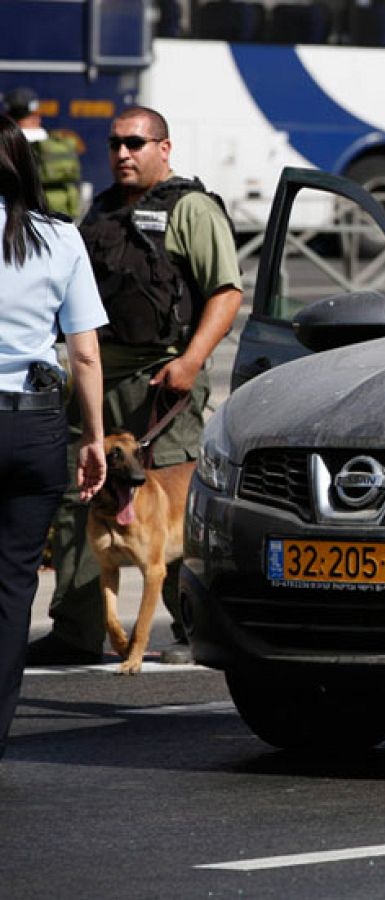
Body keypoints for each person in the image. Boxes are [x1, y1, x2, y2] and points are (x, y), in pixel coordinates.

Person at [25, 105, 241, 667]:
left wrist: (192, 361)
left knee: (170, 506)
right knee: (82, 499)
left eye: (135, 143)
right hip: (97, 380)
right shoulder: (99, 211)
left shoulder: (189, 209)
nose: (122, 153)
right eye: (115, 143)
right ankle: (76, 628)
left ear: (163, 149)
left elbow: (225, 292)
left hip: (161, 383)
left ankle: (191, 628)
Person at [0, 114, 105, 756]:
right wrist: (92, 435)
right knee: (14, 584)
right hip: (36, 422)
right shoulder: (62, 239)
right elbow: (85, 352)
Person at [4, 87, 82, 222]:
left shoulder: (10, 140)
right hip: (59, 212)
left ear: (9, 113)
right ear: (35, 114)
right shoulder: (48, 139)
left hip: (25, 213)